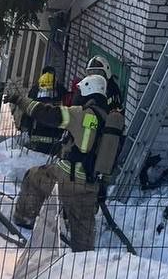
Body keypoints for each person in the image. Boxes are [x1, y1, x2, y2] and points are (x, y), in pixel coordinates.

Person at [11, 60, 125, 251]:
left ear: (86, 91)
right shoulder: (110, 120)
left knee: (33, 176)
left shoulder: (79, 113)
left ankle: (24, 222)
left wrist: (20, 100)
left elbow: (45, 113)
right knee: (83, 248)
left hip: (63, 179)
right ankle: (80, 266)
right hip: (90, 187)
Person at [19, 66, 67, 154]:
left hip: (37, 129)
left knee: (36, 154)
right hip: (54, 130)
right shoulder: (61, 89)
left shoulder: (35, 89)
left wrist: (25, 127)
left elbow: (28, 109)